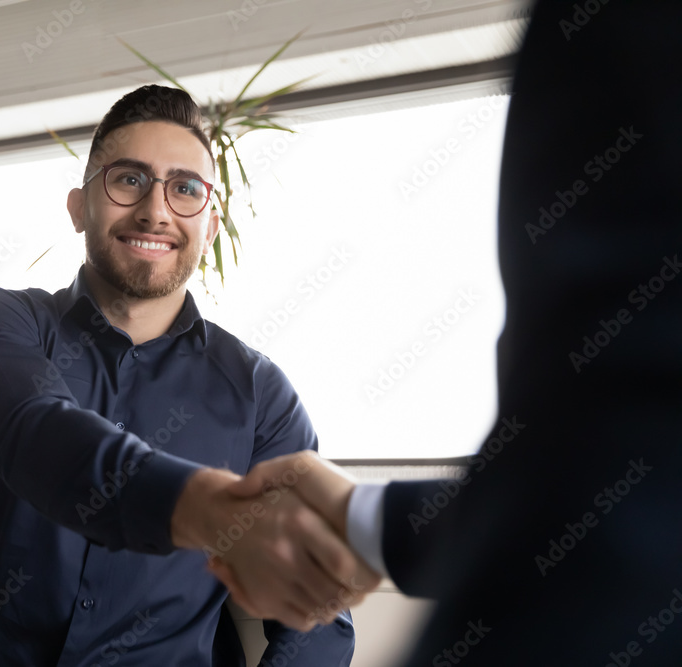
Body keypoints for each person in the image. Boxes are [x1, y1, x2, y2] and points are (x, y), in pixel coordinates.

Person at [212, 0, 682, 664]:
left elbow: (622, 434)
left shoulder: (255, 385)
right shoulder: (17, 333)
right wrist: (367, 521)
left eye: (189, 189)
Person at [0, 85, 359, 665]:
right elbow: (36, 434)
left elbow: (316, 620)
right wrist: (208, 507)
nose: (156, 210)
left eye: (184, 188)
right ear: (78, 207)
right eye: (128, 179)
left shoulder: (262, 395)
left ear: (210, 227)